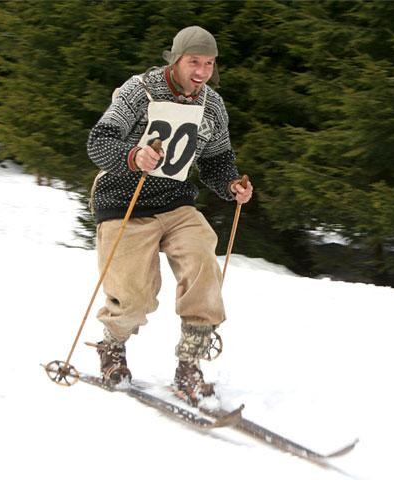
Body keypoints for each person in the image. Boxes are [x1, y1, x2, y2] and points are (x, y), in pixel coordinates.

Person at [86, 26, 252, 405]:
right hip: (123, 200)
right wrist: (133, 156)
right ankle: (112, 346)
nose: (202, 72)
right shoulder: (138, 91)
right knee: (134, 297)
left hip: (175, 203)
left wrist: (230, 187)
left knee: (203, 265)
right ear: (175, 59)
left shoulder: (212, 105)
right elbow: (99, 141)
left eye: (209, 63)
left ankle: (189, 366)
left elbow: (217, 160)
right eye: (194, 62)